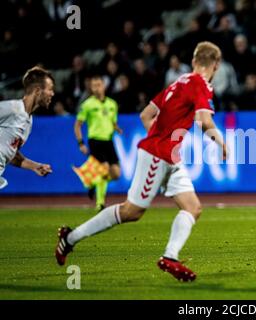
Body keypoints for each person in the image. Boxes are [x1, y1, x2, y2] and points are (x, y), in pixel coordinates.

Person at [56, 42, 227, 282]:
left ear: (193, 60)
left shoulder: (178, 82)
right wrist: (222, 143)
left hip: (168, 155)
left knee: (192, 207)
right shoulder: (201, 84)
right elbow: (204, 121)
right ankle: (70, 238)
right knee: (131, 211)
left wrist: (162, 137)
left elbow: (146, 115)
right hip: (159, 155)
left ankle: (170, 257)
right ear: (216, 65)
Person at [0, 66, 54, 189]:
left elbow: (10, 153)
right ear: (37, 91)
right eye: (50, 89)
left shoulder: (28, 122)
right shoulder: (12, 109)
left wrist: (35, 166)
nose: (52, 93)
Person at [74, 75, 122, 211]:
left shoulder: (112, 104)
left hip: (109, 141)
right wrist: (81, 143)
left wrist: (116, 128)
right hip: (95, 141)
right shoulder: (87, 105)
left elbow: (112, 121)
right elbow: (77, 125)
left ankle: (92, 182)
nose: (96, 88)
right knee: (104, 169)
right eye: (94, 85)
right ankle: (100, 203)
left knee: (116, 174)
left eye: (98, 85)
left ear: (104, 86)